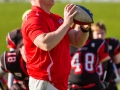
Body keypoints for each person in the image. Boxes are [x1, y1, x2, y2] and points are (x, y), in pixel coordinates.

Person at [21, 1, 91, 90]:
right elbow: (45, 44)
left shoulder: (56, 18)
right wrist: (66, 24)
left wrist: (84, 29)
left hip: (58, 82)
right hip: (44, 81)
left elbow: (77, 41)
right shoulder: (33, 18)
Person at [68, 24, 114, 90]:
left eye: (83, 28)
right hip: (73, 87)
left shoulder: (97, 44)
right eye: (79, 28)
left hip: (92, 86)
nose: (81, 31)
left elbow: (109, 65)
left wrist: (106, 82)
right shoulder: (68, 45)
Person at [91, 22, 120, 90]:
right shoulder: (88, 45)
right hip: (94, 79)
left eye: (102, 33)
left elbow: (118, 63)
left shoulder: (111, 43)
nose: (100, 36)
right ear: (92, 33)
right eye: (98, 33)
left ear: (105, 33)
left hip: (109, 78)